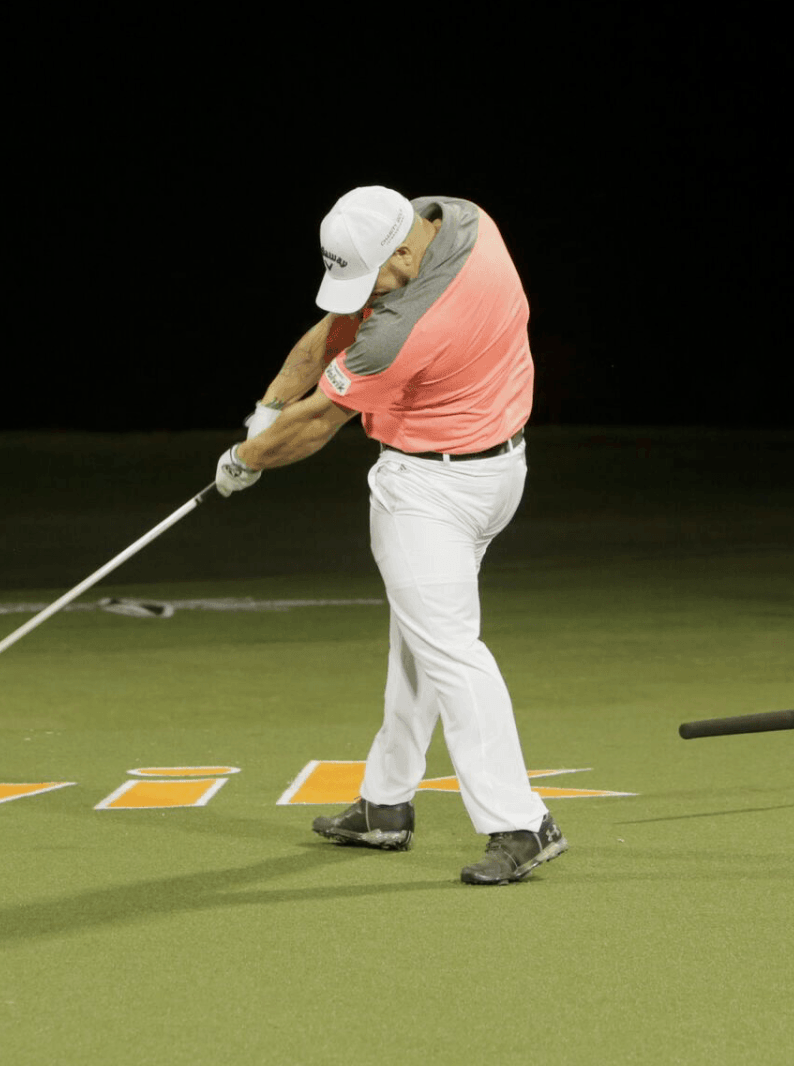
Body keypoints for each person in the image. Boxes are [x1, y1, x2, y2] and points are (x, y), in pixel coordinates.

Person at [212, 185, 562, 886]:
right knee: (422, 640)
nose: (362, 292)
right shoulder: (462, 218)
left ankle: (521, 823)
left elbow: (320, 420)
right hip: (501, 472)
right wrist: (267, 405)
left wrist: (243, 461)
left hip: (426, 494)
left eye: (371, 275)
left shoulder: (405, 330)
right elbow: (335, 327)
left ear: (401, 249)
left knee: (450, 652)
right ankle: (386, 803)